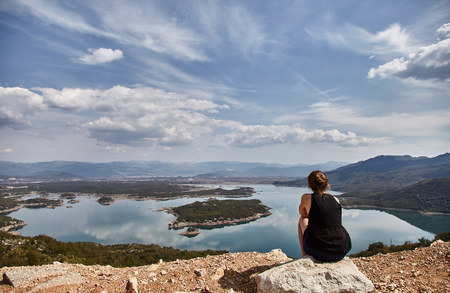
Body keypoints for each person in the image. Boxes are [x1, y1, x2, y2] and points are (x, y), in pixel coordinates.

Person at [298, 170, 351, 261]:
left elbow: (302, 213)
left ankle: (304, 256)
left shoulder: (306, 198)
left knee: (302, 219)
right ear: (326, 184)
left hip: (319, 251)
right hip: (341, 250)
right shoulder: (336, 199)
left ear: (309, 185)